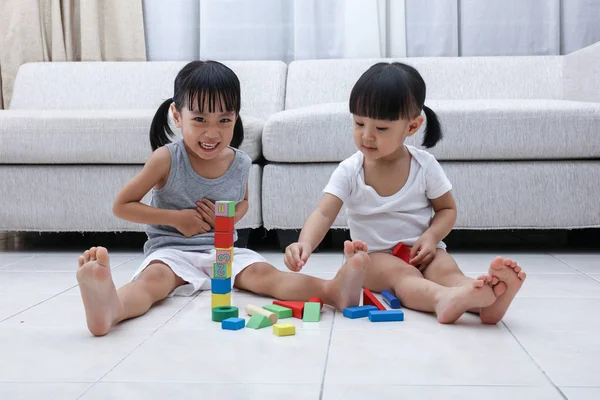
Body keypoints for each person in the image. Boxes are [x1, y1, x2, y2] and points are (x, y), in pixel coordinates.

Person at [76, 61, 369, 336]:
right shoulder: (166, 159)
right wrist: (177, 219)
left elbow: (242, 203)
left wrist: (226, 218)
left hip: (224, 252)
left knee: (267, 276)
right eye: (200, 119)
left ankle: (333, 290)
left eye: (224, 120)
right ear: (178, 116)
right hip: (172, 251)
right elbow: (122, 206)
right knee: (153, 284)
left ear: (235, 119)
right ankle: (111, 308)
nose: (212, 132)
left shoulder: (240, 162)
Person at [284, 62, 526, 324]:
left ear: (411, 127)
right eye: (359, 123)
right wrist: (305, 243)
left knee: (447, 271)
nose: (367, 136)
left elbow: (447, 209)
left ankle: (486, 299)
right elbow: (323, 213)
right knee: (403, 276)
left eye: (381, 128)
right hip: (373, 259)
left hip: (421, 251)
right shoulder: (350, 170)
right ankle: (440, 300)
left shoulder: (424, 166)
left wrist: (432, 237)